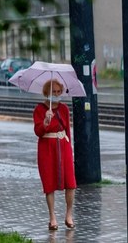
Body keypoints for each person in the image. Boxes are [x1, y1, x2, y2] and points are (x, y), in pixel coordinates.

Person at [33, 79, 76, 231]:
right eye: (54, 92)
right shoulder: (40, 109)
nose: (57, 94)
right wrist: (45, 120)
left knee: (70, 182)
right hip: (47, 148)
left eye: (59, 91)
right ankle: (52, 217)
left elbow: (68, 130)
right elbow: (38, 131)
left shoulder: (64, 109)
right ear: (47, 93)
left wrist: (69, 147)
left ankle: (69, 214)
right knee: (49, 183)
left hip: (63, 146)